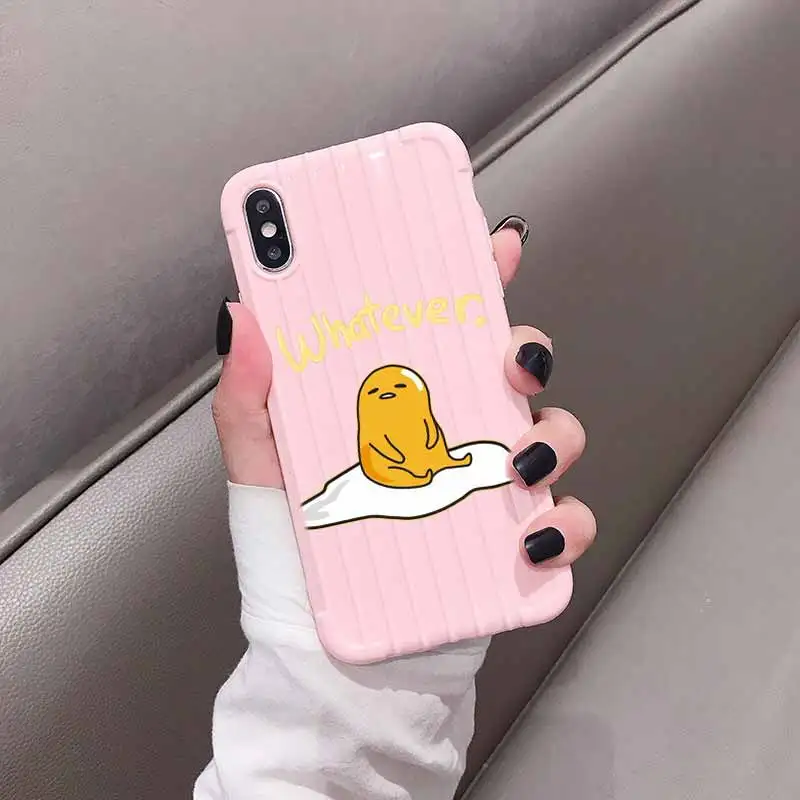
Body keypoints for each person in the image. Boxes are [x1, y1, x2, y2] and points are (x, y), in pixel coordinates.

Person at [194, 218, 596, 799]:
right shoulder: (338, 499)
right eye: (379, 402)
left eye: (402, 399)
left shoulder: (478, 464)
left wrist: (412, 669)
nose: (389, 405)